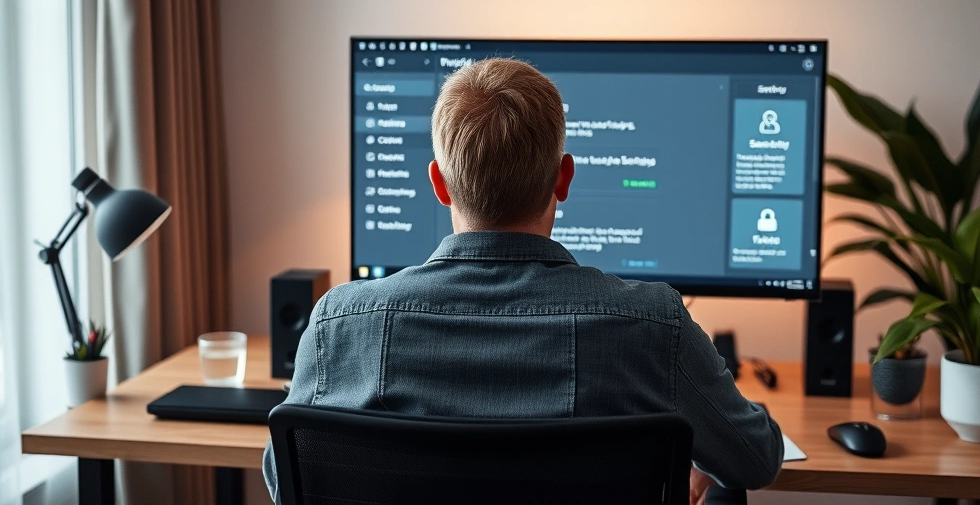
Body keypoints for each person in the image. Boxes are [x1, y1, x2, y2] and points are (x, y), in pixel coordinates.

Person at [263, 58, 783, 504]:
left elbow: (287, 478)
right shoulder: (651, 325)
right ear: (564, 177)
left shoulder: (340, 325)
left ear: (439, 184)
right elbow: (755, 461)